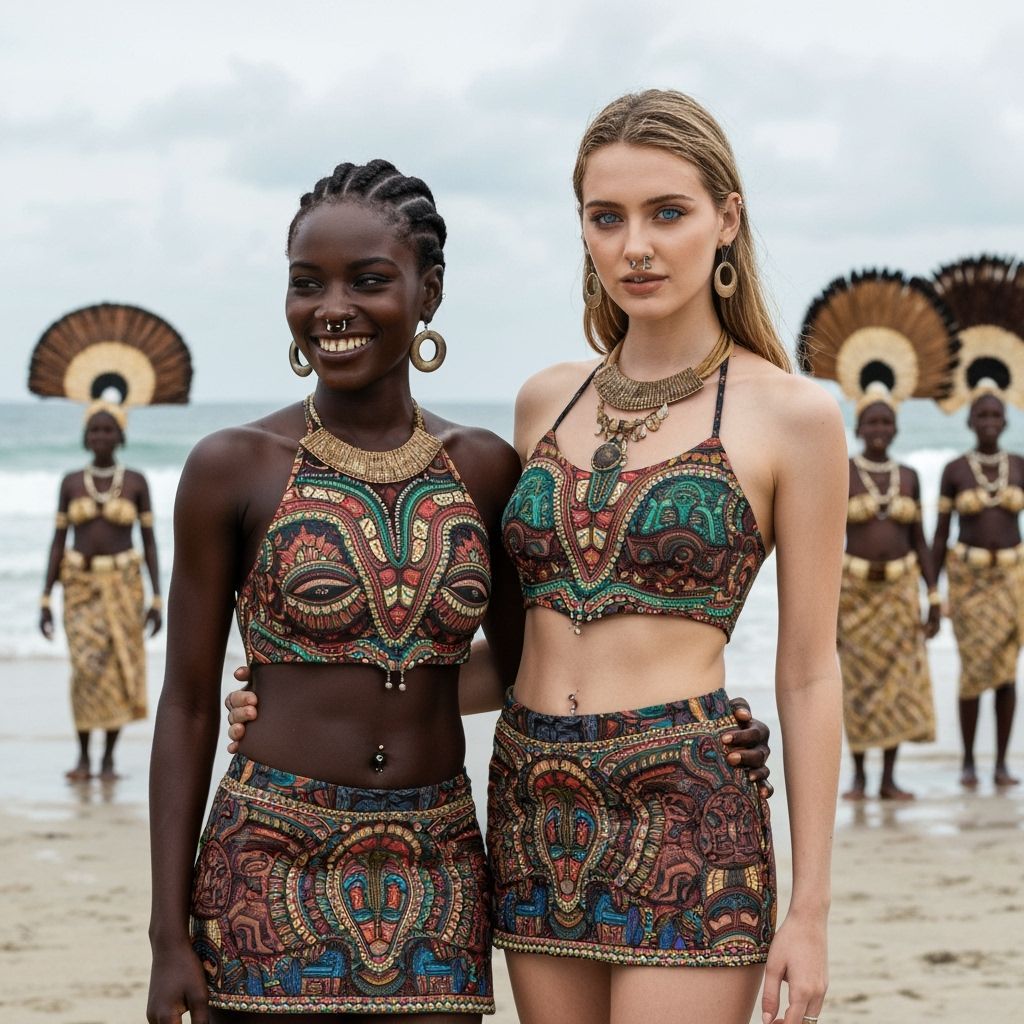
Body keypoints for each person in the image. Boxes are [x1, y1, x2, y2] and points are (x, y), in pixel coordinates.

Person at [219, 105, 787, 1023]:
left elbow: (810, 667)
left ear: (727, 218)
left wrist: (810, 905)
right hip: (532, 804)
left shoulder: (788, 413)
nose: (636, 244)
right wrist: (296, 695)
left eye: (667, 213)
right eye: (606, 217)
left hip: (685, 794)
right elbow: (514, 647)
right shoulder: (545, 407)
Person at [799, 270, 959, 801]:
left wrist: (932, 595)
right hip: (854, 596)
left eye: (886, 424)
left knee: (896, 685)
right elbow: (822, 541)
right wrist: (822, 605)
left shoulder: (910, 476)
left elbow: (922, 539)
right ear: (859, 426)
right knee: (859, 685)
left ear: (896, 428)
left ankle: (889, 778)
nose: (879, 431)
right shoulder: (842, 471)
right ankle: (861, 778)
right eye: (871, 424)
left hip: (898, 594)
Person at [930, 255, 1024, 789]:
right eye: (981, 414)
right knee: (973, 671)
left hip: (1012, 577)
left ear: (1005, 418)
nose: (989, 421)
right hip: (967, 582)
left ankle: (1002, 763)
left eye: (996, 415)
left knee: (1006, 673)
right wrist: (935, 593)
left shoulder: (1020, 466)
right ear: (969, 418)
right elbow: (939, 536)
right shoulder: (954, 469)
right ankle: (968, 761)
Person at [39, 401, 162, 780]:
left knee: (118, 668)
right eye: (94, 429)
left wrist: (157, 598)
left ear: (120, 436)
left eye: (108, 429)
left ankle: (108, 759)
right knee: (85, 670)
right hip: (79, 587)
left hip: (125, 586)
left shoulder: (136, 482)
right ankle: (82, 757)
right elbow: (58, 542)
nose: (101, 436)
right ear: (86, 436)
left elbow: (149, 542)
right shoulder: (71, 482)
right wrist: (45, 598)